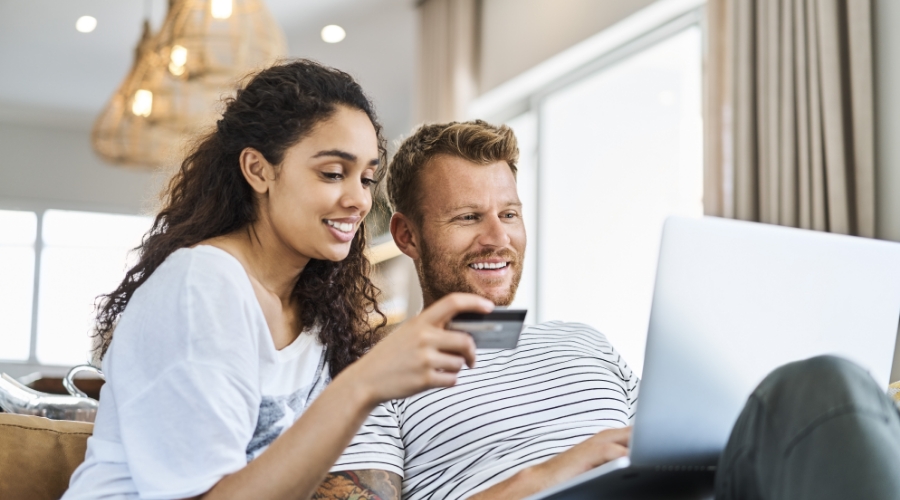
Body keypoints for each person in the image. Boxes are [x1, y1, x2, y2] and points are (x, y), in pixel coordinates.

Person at [315, 120, 900, 500]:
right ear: (408, 236)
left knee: (827, 381)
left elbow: (690, 448)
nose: (497, 237)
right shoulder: (369, 371)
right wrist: (557, 470)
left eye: (510, 214)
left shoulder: (582, 341)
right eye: (468, 218)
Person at [62, 61, 494, 500]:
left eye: (367, 178)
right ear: (258, 169)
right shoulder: (203, 285)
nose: (358, 200)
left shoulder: (316, 314)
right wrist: (363, 385)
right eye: (332, 173)